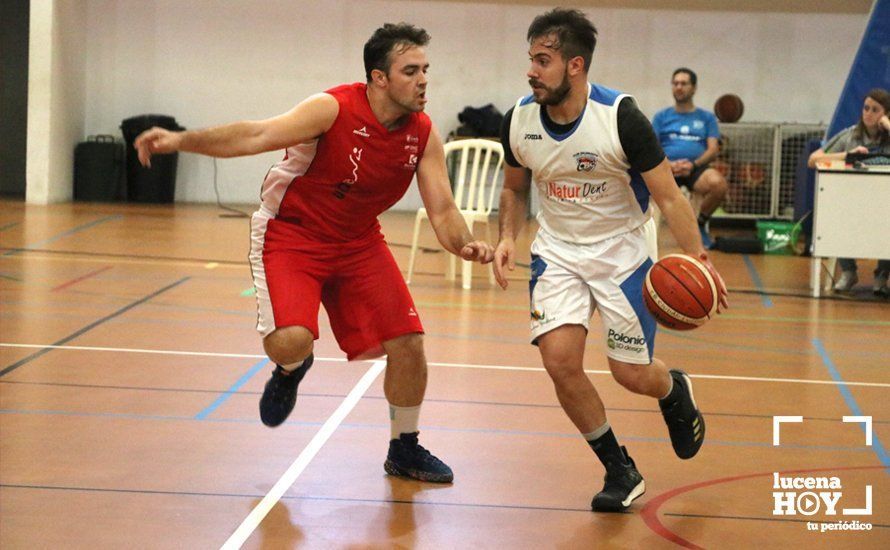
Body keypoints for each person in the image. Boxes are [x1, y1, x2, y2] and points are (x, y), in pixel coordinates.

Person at [134, 23, 494, 483]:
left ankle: (404, 448)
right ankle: (291, 367)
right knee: (292, 339)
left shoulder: (422, 133)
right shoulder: (332, 108)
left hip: (359, 240)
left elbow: (443, 209)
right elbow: (255, 135)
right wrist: (183, 140)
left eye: (426, 69)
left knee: (408, 342)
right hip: (293, 234)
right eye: (411, 70)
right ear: (379, 78)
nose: (424, 80)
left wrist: (466, 244)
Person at [494, 9, 729, 513]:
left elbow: (668, 196)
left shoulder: (621, 117)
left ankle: (671, 388)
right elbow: (514, 189)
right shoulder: (518, 120)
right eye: (530, 59)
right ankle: (619, 469)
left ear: (575, 66)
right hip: (557, 252)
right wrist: (506, 238)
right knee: (559, 363)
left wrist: (698, 258)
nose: (531, 71)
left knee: (630, 374)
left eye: (543, 60)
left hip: (622, 254)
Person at [807, 88, 890, 296]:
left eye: (875, 110)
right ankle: (849, 271)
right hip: (853, 201)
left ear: (886, 113)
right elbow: (813, 159)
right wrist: (848, 155)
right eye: (866, 108)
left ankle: (882, 275)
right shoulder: (850, 135)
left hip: (883, 201)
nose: (868, 113)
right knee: (838, 216)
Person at [651, 68, 729, 249]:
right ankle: (648, 240)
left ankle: (700, 223)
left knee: (719, 184)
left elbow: (712, 149)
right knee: (646, 189)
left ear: (693, 88)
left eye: (684, 83)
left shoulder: (707, 117)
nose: (679, 87)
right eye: (675, 83)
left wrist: (693, 165)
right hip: (666, 167)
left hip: (696, 168)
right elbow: (652, 146)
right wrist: (668, 164)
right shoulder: (662, 117)